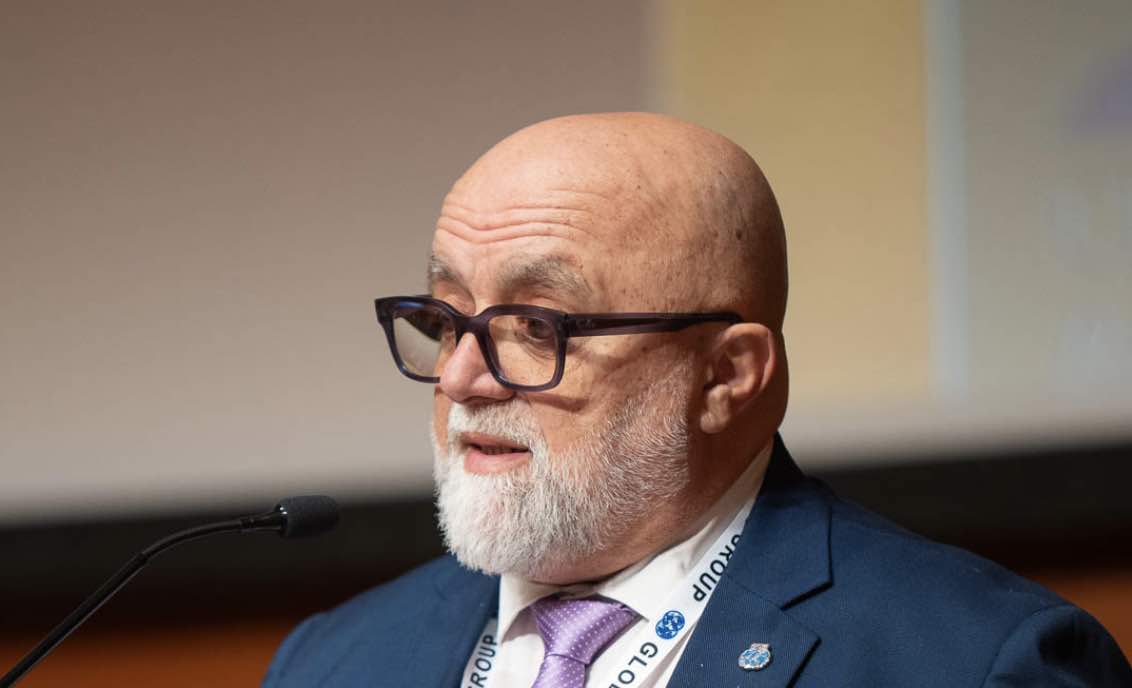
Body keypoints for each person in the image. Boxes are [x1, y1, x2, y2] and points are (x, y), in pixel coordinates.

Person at [264, 113, 1132, 687]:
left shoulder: (974, 664)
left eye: (536, 325)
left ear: (727, 377)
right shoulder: (333, 663)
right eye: (446, 319)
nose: (461, 379)